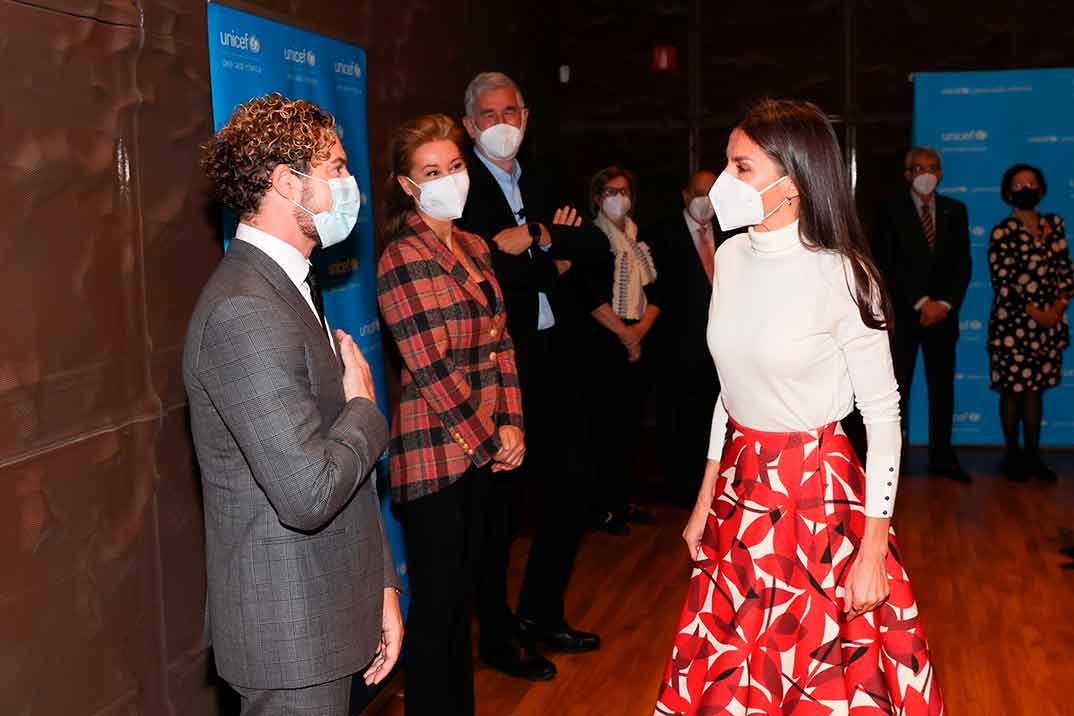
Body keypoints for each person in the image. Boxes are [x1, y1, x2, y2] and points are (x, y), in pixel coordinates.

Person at [655, 99, 944, 715]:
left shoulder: (844, 274)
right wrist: (705, 498)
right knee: (736, 674)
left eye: (741, 167)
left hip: (818, 498)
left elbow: (885, 420)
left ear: (793, 180)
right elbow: (729, 390)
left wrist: (872, 552)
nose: (724, 183)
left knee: (817, 677)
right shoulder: (729, 257)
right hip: (741, 490)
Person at [185, 93, 401, 715]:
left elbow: (332, 461)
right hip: (290, 635)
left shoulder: (289, 285)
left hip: (329, 611)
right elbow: (308, 491)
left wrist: (380, 585)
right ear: (286, 182)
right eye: (335, 167)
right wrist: (366, 409)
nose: (350, 184)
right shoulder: (245, 310)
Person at [457, 71, 607, 679]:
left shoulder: (543, 179)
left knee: (576, 486)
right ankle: (497, 636)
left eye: (510, 112)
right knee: (499, 508)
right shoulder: (460, 190)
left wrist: (538, 236)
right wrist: (554, 259)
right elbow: (485, 272)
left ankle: (541, 612)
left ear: (527, 115)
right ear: (469, 125)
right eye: (488, 115)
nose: (501, 124)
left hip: (551, 359)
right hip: (496, 367)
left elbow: (596, 245)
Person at [376, 114, 525, 716]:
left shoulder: (476, 245)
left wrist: (512, 421)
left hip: (484, 447)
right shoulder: (400, 259)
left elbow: (501, 342)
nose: (449, 180)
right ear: (409, 187)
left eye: (455, 167)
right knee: (438, 609)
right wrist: (491, 438)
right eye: (431, 172)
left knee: (464, 597)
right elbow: (430, 370)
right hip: (435, 455)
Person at [873, 146, 972, 482]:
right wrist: (920, 302)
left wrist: (943, 305)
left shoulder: (956, 211)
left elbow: (963, 266)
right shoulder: (889, 211)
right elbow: (887, 263)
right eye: (918, 168)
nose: (926, 173)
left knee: (942, 390)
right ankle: (891, 463)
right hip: (905, 316)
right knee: (897, 390)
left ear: (941, 173)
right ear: (907, 175)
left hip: (943, 320)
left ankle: (943, 458)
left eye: (932, 167)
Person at [576, 166, 660, 534]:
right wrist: (625, 334)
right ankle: (600, 507)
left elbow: (658, 292)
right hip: (601, 343)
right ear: (597, 198)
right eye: (610, 192)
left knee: (629, 427)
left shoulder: (639, 239)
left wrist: (638, 332)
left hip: (636, 338)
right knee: (603, 429)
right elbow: (588, 295)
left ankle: (621, 500)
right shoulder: (593, 237)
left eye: (623, 191)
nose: (618, 198)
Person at [988, 163, 1073, 481]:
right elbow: (1002, 279)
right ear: (1009, 192)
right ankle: (1012, 457)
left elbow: (1066, 270)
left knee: (1035, 390)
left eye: (1032, 183)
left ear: (1042, 188)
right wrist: (1036, 312)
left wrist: (1057, 307)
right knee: (1013, 391)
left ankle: (1033, 456)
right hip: (1014, 324)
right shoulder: (1003, 231)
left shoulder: (1055, 224)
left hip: (1048, 324)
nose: (1027, 189)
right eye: (1019, 184)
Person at [648, 170, 721, 508]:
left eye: (710, 192)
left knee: (711, 420)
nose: (703, 200)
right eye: (697, 192)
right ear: (684, 194)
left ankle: (709, 485)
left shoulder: (730, 231)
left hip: (718, 348)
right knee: (677, 419)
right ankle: (680, 489)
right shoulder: (661, 234)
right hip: (676, 347)